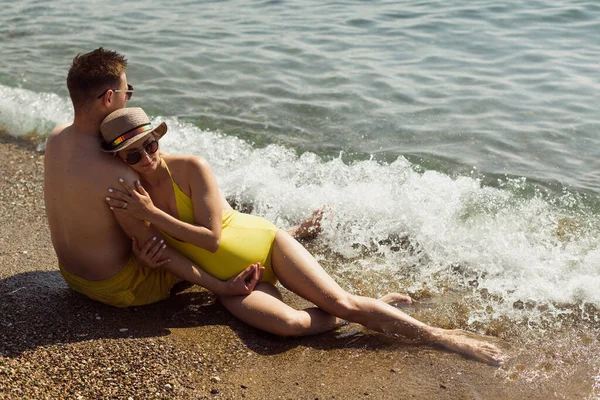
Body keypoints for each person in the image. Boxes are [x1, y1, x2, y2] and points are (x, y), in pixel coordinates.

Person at [102, 107, 503, 365]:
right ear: (121, 159)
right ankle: (372, 308)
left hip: (267, 245)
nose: (147, 156)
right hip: (233, 283)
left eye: (150, 143)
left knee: (342, 302)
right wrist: (220, 286)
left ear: (159, 138)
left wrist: (152, 214)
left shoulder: (190, 167)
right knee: (287, 326)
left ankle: (442, 338)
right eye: (134, 153)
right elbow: (167, 257)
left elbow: (210, 239)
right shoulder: (128, 200)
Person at [44, 48, 322, 309]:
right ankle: (282, 236)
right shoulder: (118, 174)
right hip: (120, 287)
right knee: (184, 220)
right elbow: (161, 250)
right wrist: (222, 287)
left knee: (175, 189)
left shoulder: (56, 137)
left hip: (72, 276)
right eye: (126, 92)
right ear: (108, 98)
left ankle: (277, 233)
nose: (128, 97)